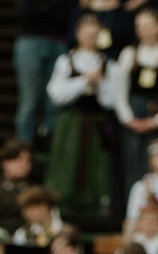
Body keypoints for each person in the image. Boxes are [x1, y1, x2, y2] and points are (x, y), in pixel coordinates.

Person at [47, 14, 121, 220]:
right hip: (71, 120)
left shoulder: (108, 64)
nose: (90, 38)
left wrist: (98, 83)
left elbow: (112, 100)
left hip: (97, 121)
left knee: (97, 161)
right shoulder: (66, 61)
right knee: (67, 159)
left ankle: (96, 203)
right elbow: (56, 94)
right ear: (78, 34)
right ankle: (63, 202)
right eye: (86, 34)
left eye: (94, 34)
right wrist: (83, 81)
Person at [115, 8, 158, 197]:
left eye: (148, 26)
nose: (143, 31)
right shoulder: (129, 54)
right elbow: (119, 93)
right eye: (139, 27)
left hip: (157, 119)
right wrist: (129, 119)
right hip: (132, 117)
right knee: (131, 164)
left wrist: (155, 122)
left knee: (156, 165)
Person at [15, 0, 76, 143]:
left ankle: (52, 148)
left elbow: (69, 11)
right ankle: (24, 148)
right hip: (31, 39)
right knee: (29, 102)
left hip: (59, 41)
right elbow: (27, 11)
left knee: (54, 103)